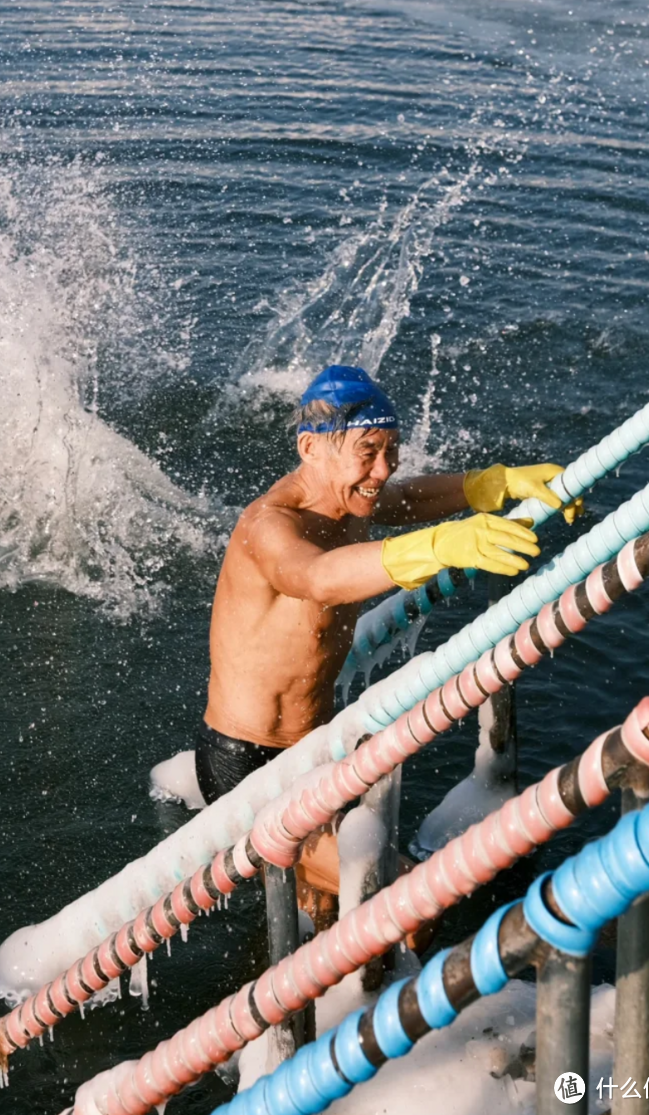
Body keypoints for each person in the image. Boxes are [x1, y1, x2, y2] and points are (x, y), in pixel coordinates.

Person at [196, 364, 578, 923]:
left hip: (316, 754)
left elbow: (406, 499)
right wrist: (445, 545)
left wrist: (490, 484)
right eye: (368, 450)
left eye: (393, 450)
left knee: (324, 907)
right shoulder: (269, 527)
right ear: (311, 447)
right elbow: (318, 577)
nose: (383, 470)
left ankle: (315, 999)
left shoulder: (350, 501)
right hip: (248, 769)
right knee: (409, 909)